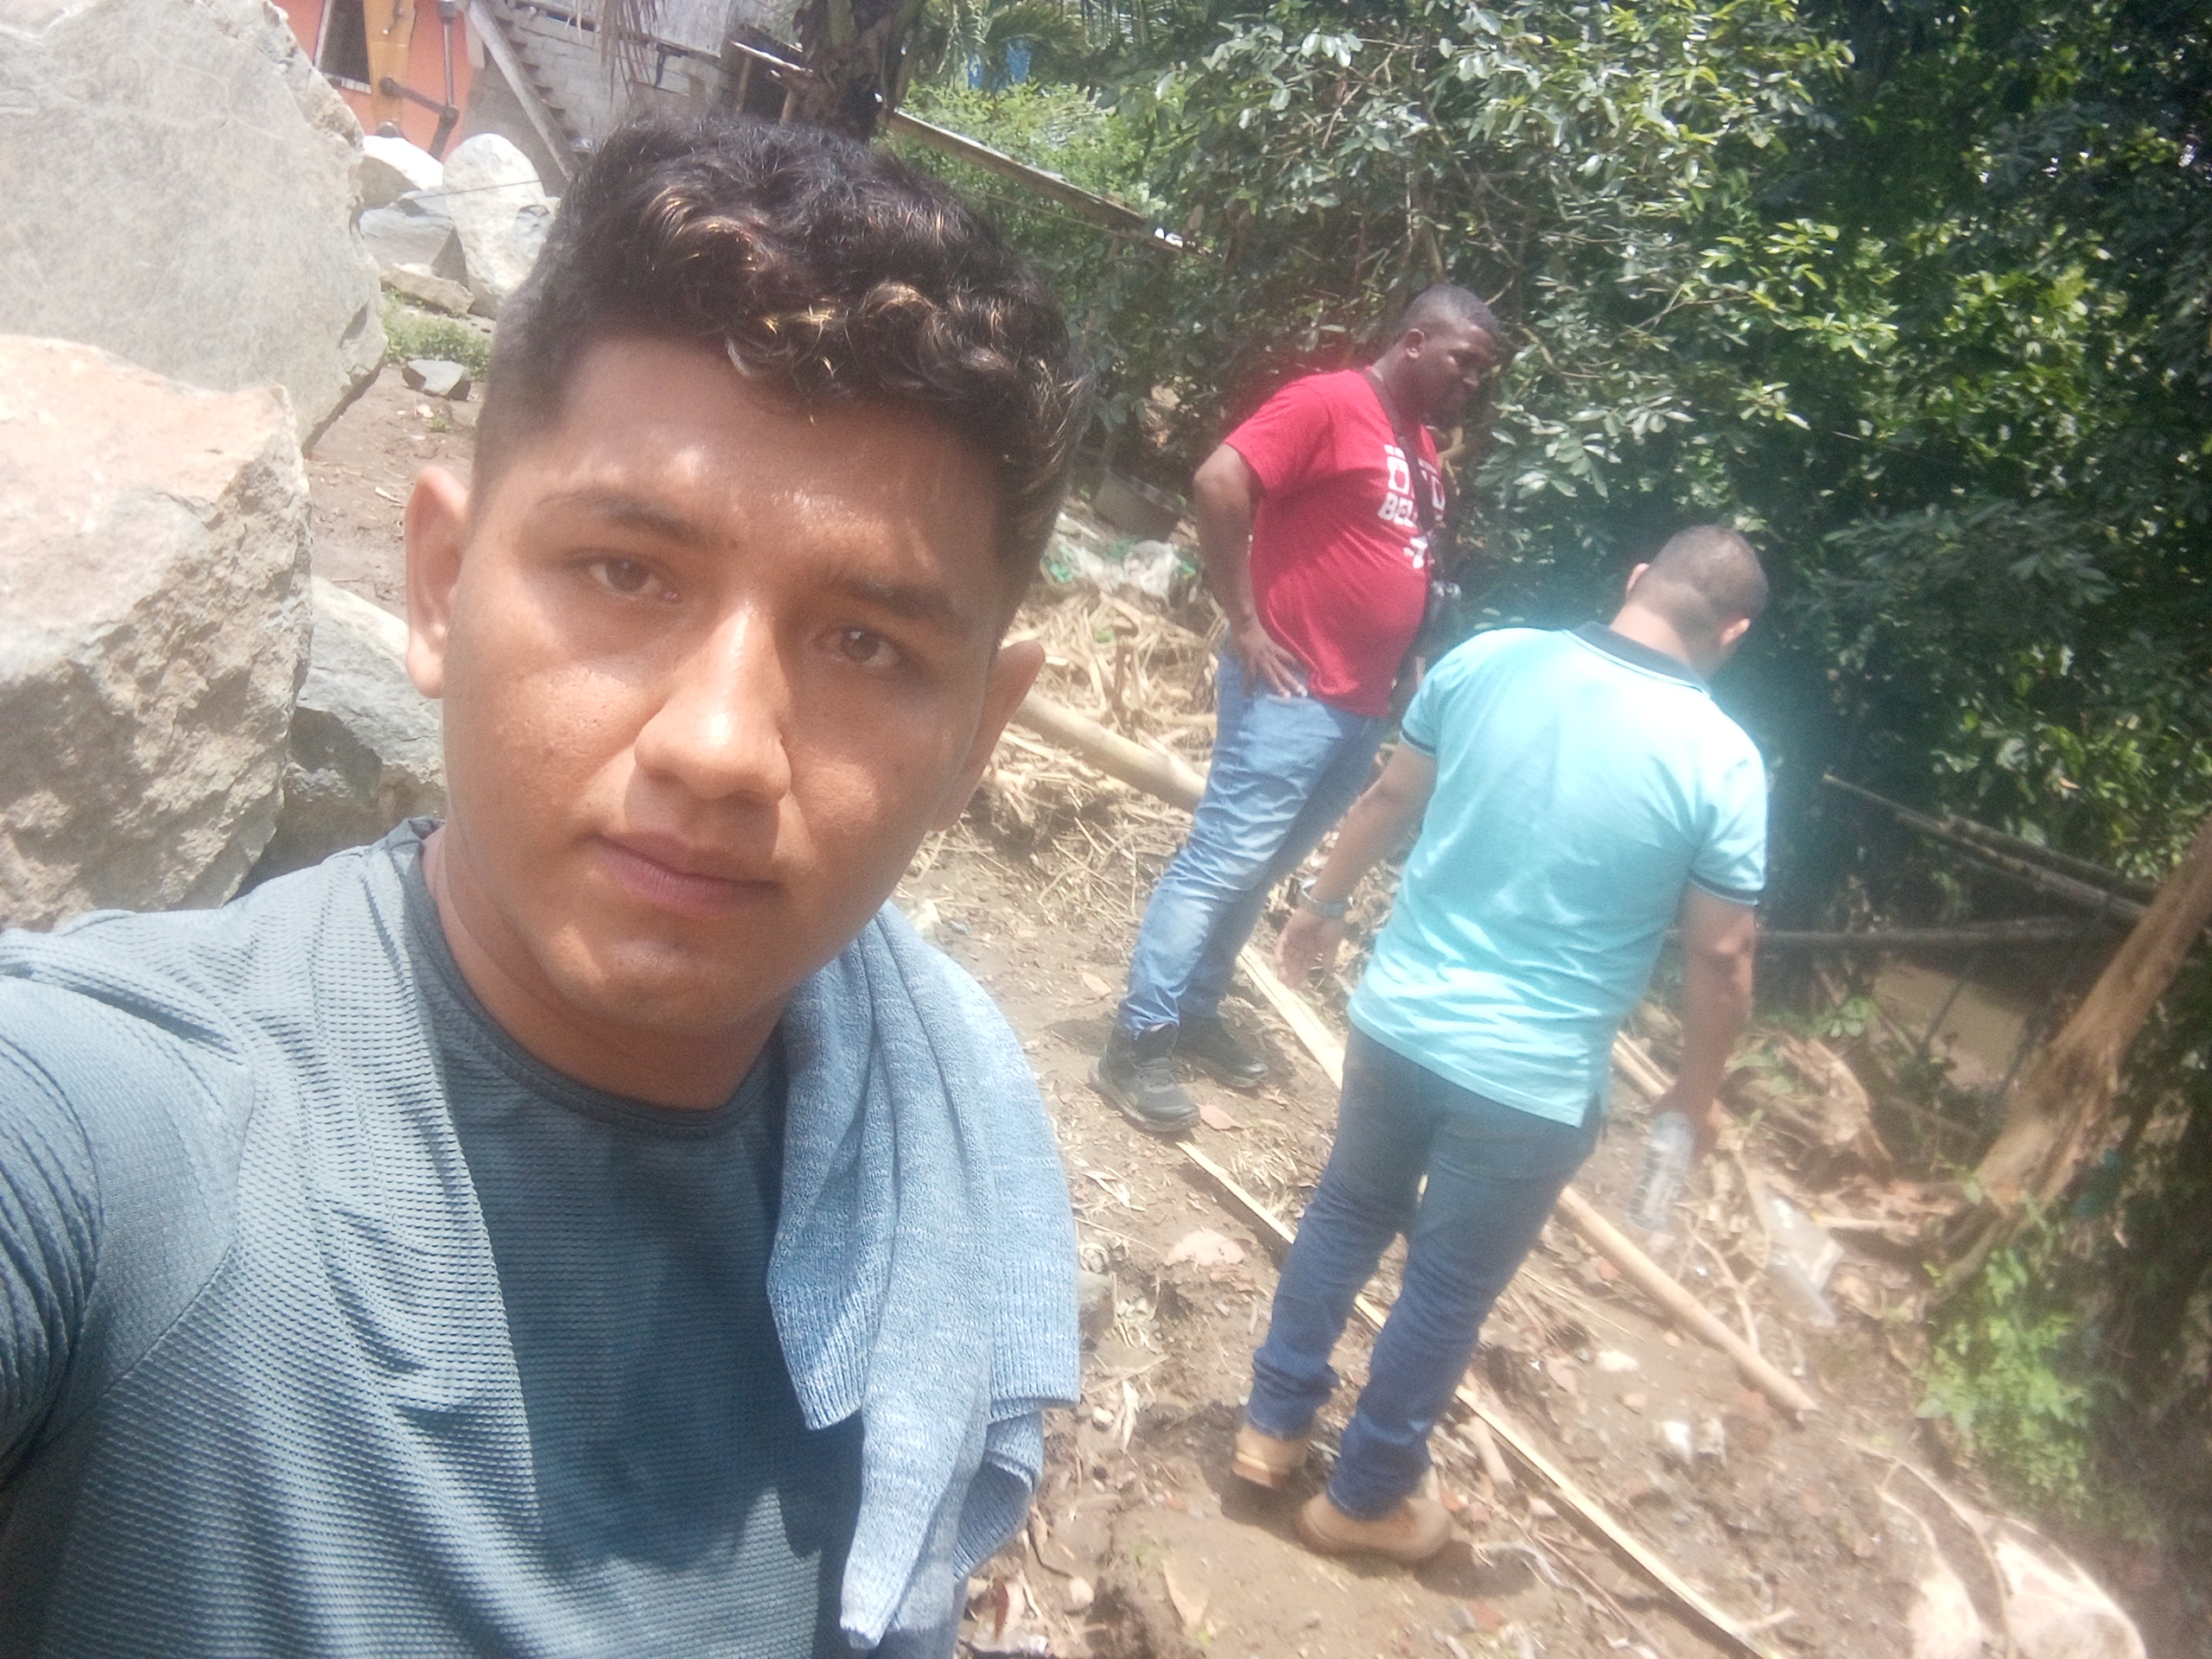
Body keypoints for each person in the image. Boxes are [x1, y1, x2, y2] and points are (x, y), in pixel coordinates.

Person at [0, 117, 1090, 1658]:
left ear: (977, 734)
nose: (721, 746)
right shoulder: (127, 1131)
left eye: (866, 644)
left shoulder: (928, 1193)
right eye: (627, 573)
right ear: (441, 586)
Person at [1234, 527, 1770, 1563]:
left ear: (1634, 579)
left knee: (1346, 1211)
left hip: (1398, 1021)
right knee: (1443, 1291)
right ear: (1733, 633)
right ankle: (1365, 1498)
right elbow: (1721, 957)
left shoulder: (1490, 659)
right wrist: (1692, 1096)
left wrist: (1322, 905)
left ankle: (1270, 1426)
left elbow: (1389, 795)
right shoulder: (1724, 762)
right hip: (1531, 1081)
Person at [1091, 286, 1503, 1135]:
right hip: (1290, 688)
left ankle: (1195, 1011)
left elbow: (1395, 559)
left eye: (1481, 370)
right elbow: (1218, 480)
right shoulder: (1328, 403)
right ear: (1415, 341)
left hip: (1359, 705)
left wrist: (1407, 659)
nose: (1472, 381)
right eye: (1464, 362)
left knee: (1265, 865)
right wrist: (1245, 621)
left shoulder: (1421, 446)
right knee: (1222, 860)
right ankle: (1136, 1042)